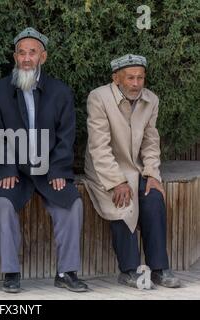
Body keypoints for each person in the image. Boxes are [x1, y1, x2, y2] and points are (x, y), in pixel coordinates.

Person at [0, 27, 88, 293]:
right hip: (16, 170)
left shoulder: (60, 91)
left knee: (72, 204)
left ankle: (66, 272)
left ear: (43, 57)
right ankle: (11, 273)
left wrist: (58, 170)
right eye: (22, 53)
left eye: (32, 53)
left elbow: (67, 136)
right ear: (15, 57)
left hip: (48, 170)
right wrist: (6, 168)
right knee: (4, 203)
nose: (27, 58)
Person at [83, 54, 180, 289]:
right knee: (123, 202)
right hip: (104, 169)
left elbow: (150, 142)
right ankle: (129, 270)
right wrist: (117, 181)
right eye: (130, 78)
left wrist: (152, 174)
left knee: (154, 198)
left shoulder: (151, 100)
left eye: (140, 78)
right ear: (116, 78)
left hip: (136, 169)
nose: (136, 83)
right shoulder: (99, 97)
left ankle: (159, 269)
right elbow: (99, 146)